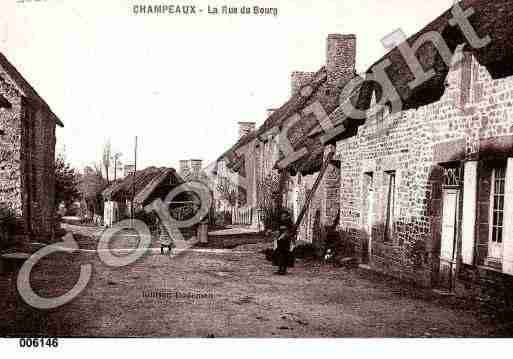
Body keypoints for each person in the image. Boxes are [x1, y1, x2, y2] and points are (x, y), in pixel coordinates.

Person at [272, 210, 296, 275]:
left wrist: (288, 236)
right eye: (282, 216)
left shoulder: (289, 223)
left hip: (286, 241)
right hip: (280, 241)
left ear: (286, 216)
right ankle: (279, 269)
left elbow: (292, 232)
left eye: (284, 216)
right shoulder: (280, 223)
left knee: (285, 255)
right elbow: (277, 231)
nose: (282, 217)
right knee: (279, 255)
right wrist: (275, 234)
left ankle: (284, 270)